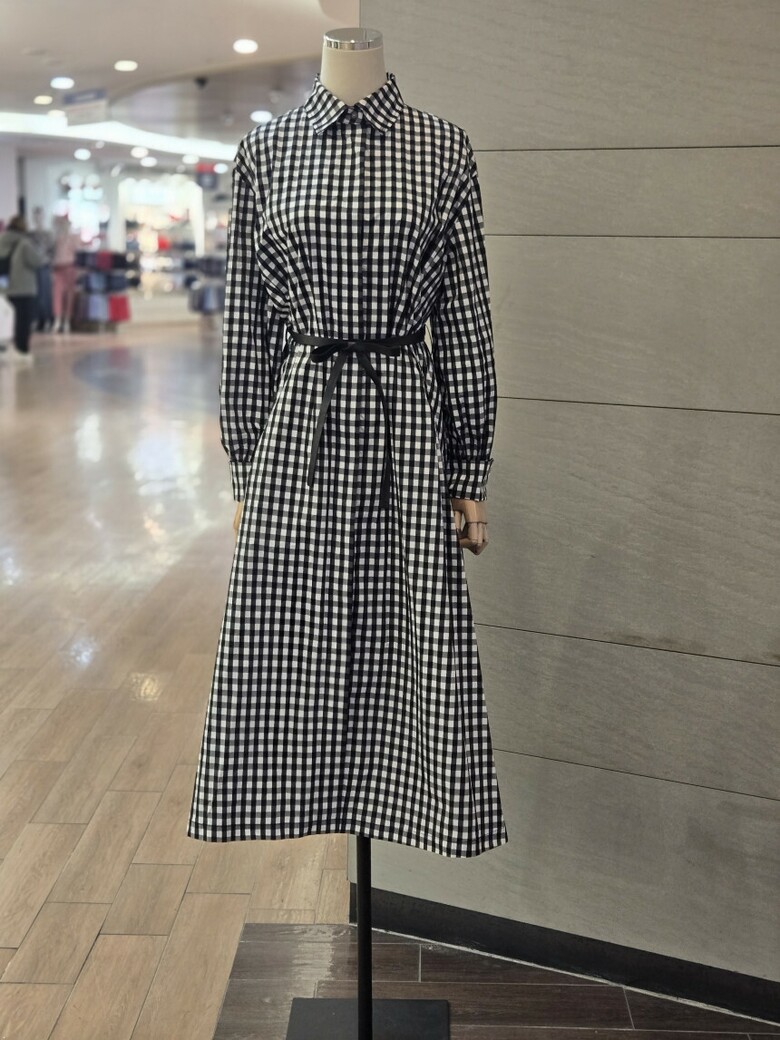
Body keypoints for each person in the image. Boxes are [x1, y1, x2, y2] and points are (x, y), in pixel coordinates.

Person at [0, 214, 44, 363]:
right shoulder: (24, 243)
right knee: (24, 320)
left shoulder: (2, 240)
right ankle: (22, 349)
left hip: (6, 286)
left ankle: (7, 347)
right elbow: (37, 261)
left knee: (9, 319)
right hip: (24, 287)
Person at [51, 214, 81, 333]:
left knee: (69, 295)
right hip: (58, 269)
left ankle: (66, 320)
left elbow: (78, 253)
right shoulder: (58, 239)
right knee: (57, 294)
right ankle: (57, 320)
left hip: (70, 268)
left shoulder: (74, 238)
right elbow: (54, 254)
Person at [29, 206, 55, 332]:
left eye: (39, 215)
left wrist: (47, 261)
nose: (38, 218)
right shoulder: (30, 235)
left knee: (45, 294)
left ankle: (47, 320)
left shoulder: (48, 234)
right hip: (33, 268)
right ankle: (36, 320)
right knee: (35, 294)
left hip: (44, 267)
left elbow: (52, 252)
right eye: (36, 216)